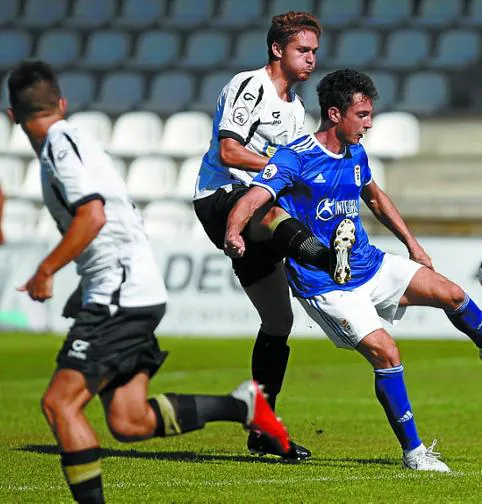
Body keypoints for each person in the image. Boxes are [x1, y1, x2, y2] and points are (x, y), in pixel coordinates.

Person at [224, 69, 482, 472]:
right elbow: (256, 197)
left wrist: (413, 245)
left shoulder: (356, 154)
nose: (369, 122)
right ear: (334, 113)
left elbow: (376, 199)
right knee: (386, 353)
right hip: (327, 284)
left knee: (450, 293)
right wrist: (233, 230)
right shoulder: (295, 157)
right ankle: (415, 453)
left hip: (370, 263)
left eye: (370, 114)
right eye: (362, 114)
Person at [8, 60, 291, 504]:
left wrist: (47, 270)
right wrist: (87, 284)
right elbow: (119, 216)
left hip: (119, 294)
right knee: (128, 420)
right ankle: (242, 406)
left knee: (59, 404)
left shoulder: (60, 145)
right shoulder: (73, 142)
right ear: (61, 103)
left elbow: (94, 215)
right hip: (131, 289)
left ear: (11, 115)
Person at [193, 11, 323, 460]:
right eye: (302, 50)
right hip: (221, 196)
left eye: (313, 52)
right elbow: (228, 149)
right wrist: (286, 169)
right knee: (296, 233)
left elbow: (289, 173)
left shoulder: (296, 109)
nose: (310, 59)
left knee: (278, 323)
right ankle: (323, 257)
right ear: (277, 49)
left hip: (257, 207)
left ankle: (263, 428)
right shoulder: (251, 86)